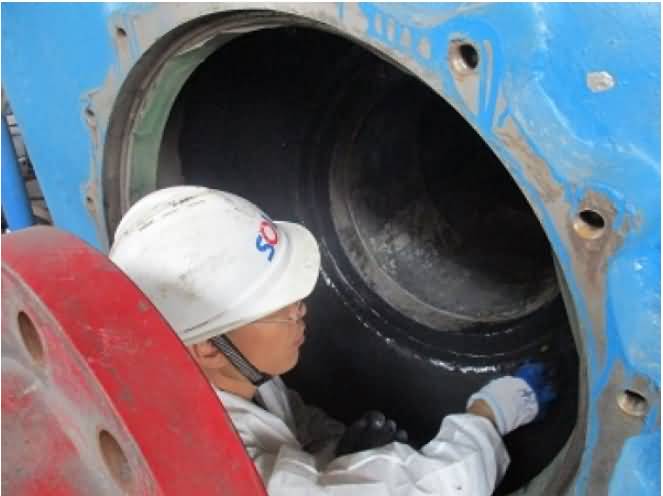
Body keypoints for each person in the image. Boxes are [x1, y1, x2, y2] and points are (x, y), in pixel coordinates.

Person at [110, 185, 555, 495]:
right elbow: (434, 488)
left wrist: (335, 453)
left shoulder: (225, 368)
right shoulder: (220, 471)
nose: (300, 308)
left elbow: (292, 419)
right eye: (278, 305)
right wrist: (488, 415)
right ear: (208, 346)